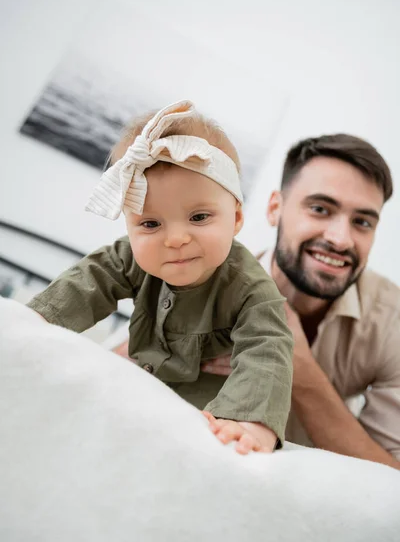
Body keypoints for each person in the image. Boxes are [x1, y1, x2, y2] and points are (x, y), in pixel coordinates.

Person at [27, 100, 294, 455]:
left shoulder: (251, 289)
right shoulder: (127, 258)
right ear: (129, 226)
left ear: (237, 218)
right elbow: (88, 281)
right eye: (150, 224)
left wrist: (248, 423)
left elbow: (267, 351)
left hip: (210, 408)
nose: (175, 239)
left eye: (199, 217)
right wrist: (33, 323)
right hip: (139, 383)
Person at [202, 134, 400, 470]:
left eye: (362, 222)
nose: (340, 239)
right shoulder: (203, 284)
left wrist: (298, 366)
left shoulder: (392, 322)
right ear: (275, 209)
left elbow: (392, 478)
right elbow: (114, 373)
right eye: (320, 209)